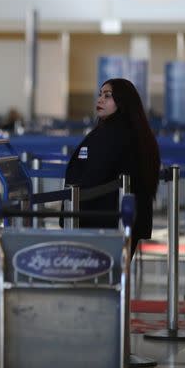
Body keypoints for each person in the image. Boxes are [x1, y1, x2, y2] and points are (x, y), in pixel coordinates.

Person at [63, 78, 160, 257]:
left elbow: (94, 177)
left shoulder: (114, 135)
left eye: (108, 96)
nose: (100, 100)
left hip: (104, 225)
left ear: (123, 102)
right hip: (116, 222)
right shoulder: (131, 133)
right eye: (100, 95)